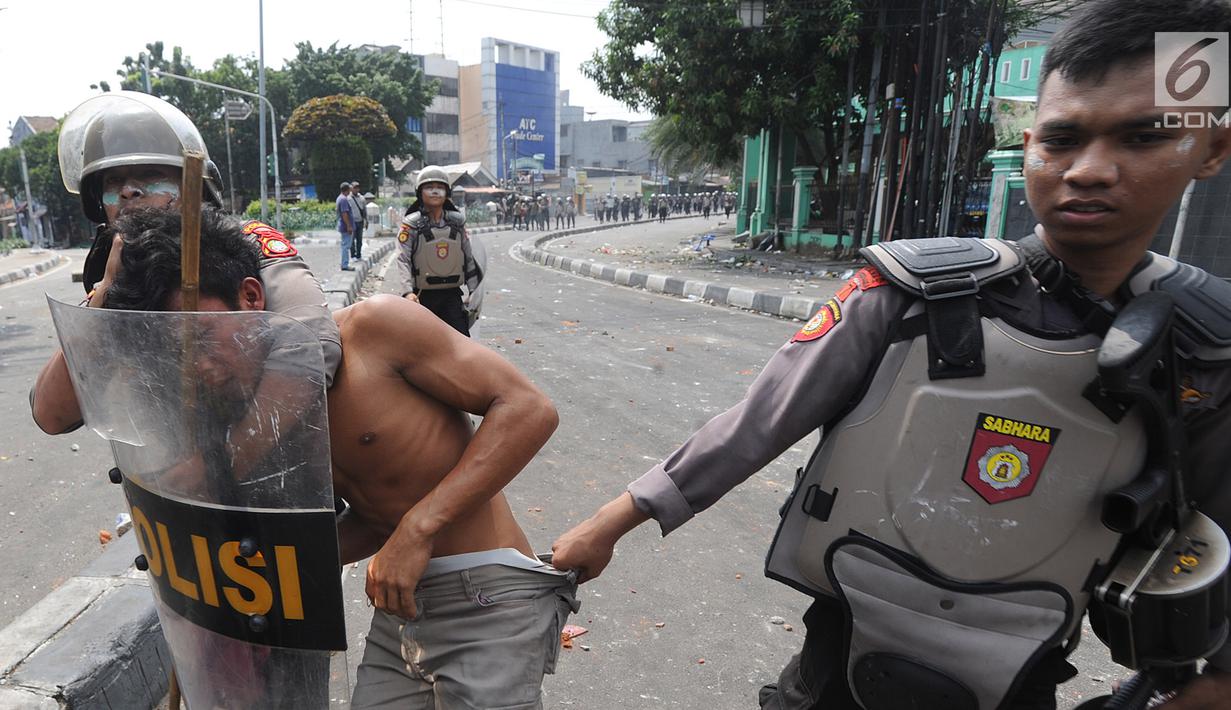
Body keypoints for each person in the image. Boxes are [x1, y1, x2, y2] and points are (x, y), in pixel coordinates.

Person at [551, 1, 1231, 708]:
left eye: (1142, 136)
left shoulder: (1205, 346)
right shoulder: (911, 292)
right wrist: (605, 527)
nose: (1089, 170)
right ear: (1029, 144)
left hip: (1022, 671)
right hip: (835, 667)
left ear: (1211, 149)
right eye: (1061, 140)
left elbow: (1210, 537)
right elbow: (756, 422)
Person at [101, 207, 577, 710]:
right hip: (401, 609)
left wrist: (417, 531)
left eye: (202, 338)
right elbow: (376, 515)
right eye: (178, 355)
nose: (197, 366)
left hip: (487, 592)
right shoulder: (258, 420)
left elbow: (529, 410)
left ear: (250, 297)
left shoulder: (376, 329)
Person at [31, 90, 340, 436]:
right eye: (113, 181)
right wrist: (104, 293)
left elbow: (312, 345)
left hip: (266, 460)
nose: (128, 191)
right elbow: (51, 413)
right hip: (162, 477)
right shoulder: (114, 275)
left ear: (194, 185)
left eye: (150, 175)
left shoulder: (245, 244)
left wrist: (227, 460)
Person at [397, 166, 482, 336]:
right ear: (420, 192)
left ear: (447, 192)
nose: (435, 192)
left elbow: (468, 258)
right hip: (423, 296)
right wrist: (407, 292)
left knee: (461, 342)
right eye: (429, 187)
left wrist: (475, 291)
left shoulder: (457, 223)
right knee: (423, 346)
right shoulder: (411, 225)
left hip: (452, 295)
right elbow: (403, 259)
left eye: (440, 188)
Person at [336, 182, 356, 270]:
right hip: (345, 227)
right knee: (346, 246)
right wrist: (349, 226)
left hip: (343, 225)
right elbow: (344, 214)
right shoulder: (344, 199)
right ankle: (344, 265)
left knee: (345, 245)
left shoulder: (340, 198)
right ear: (347, 190)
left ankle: (344, 263)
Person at [349, 181, 366, 261]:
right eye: (354, 187)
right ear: (351, 188)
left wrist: (366, 220)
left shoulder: (362, 198)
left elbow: (364, 210)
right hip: (352, 222)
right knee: (352, 241)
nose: (356, 189)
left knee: (360, 240)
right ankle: (353, 255)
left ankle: (359, 255)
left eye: (357, 187)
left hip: (360, 221)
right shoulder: (348, 198)